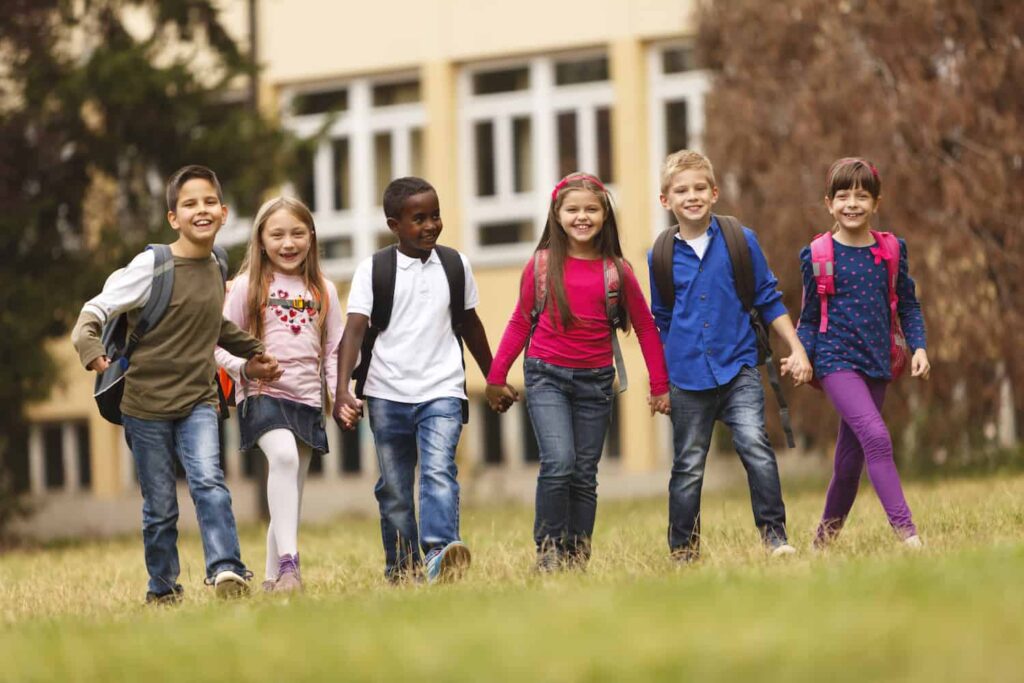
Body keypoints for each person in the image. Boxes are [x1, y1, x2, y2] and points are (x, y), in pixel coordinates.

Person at [71, 165, 281, 603]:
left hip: (198, 399)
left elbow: (211, 323)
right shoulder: (153, 265)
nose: (200, 210)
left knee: (209, 480)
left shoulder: (217, 262)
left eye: (208, 203)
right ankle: (163, 588)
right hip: (144, 405)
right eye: (189, 204)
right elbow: (94, 310)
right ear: (173, 218)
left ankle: (226, 570)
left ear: (223, 213)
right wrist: (91, 349)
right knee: (161, 506)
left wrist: (254, 351)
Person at [486, 172, 671, 572]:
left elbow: (645, 327)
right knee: (559, 462)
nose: (581, 217)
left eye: (591, 209)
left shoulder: (618, 271)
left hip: (596, 382)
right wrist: (496, 376)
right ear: (557, 213)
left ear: (605, 215)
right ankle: (549, 549)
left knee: (585, 473)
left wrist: (660, 385)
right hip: (546, 375)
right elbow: (520, 321)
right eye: (573, 210)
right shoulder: (540, 265)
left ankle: (577, 554)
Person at [649, 150, 811, 562]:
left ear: (715, 192)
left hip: (738, 366)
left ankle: (775, 536)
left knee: (755, 446)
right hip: (687, 377)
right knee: (688, 467)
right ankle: (683, 549)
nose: (692, 196)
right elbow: (661, 321)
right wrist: (661, 381)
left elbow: (768, 298)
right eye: (681, 190)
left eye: (700, 188)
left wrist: (796, 347)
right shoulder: (660, 255)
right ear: (665, 199)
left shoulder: (741, 240)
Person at [333, 176, 497, 584]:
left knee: (439, 470)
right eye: (418, 219)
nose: (430, 226)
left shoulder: (456, 265)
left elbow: (470, 324)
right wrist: (341, 392)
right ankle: (403, 568)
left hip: (442, 387)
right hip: (387, 394)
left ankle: (440, 552)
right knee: (394, 489)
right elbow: (353, 331)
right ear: (394, 224)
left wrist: (493, 377)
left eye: (435, 216)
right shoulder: (374, 269)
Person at [794, 157, 929, 549]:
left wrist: (919, 346)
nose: (852, 204)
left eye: (861, 196)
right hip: (835, 362)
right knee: (877, 437)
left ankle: (822, 543)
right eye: (842, 196)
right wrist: (803, 355)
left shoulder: (892, 251)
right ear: (828, 203)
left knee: (849, 463)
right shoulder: (817, 255)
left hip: (877, 363)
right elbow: (807, 318)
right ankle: (908, 535)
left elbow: (908, 305)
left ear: (876, 203)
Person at [215, 196, 342, 592]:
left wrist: (339, 397)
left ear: (312, 237)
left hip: (307, 401)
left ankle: (272, 581)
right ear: (261, 240)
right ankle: (291, 566)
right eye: (278, 235)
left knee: (290, 492)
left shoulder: (324, 289)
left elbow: (335, 350)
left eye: (297, 233)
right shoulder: (248, 287)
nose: (288, 243)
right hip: (261, 395)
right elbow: (215, 343)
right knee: (283, 457)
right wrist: (243, 368)